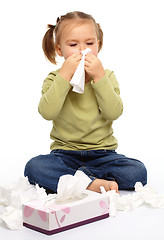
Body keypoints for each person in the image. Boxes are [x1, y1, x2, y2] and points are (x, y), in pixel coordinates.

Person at [24, 11, 147, 194]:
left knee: (137, 172)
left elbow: (113, 113)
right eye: (73, 45)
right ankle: (91, 183)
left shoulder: (107, 76)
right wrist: (65, 75)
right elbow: (47, 112)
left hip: (103, 154)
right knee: (34, 167)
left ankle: (78, 178)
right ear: (59, 50)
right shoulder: (53, 79)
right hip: (64, 154)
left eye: (89, 43)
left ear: (98, 44)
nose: (82, 50)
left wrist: (99, 77)